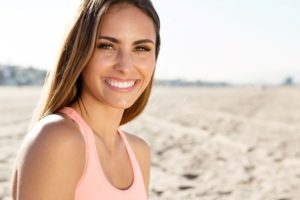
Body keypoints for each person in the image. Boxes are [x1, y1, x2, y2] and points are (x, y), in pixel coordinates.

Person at [11, 0, 160, 199]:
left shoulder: (139, 151)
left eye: (141, 48)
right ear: (80, 51)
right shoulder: (57, 140)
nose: (125, 66)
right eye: (107, 46)